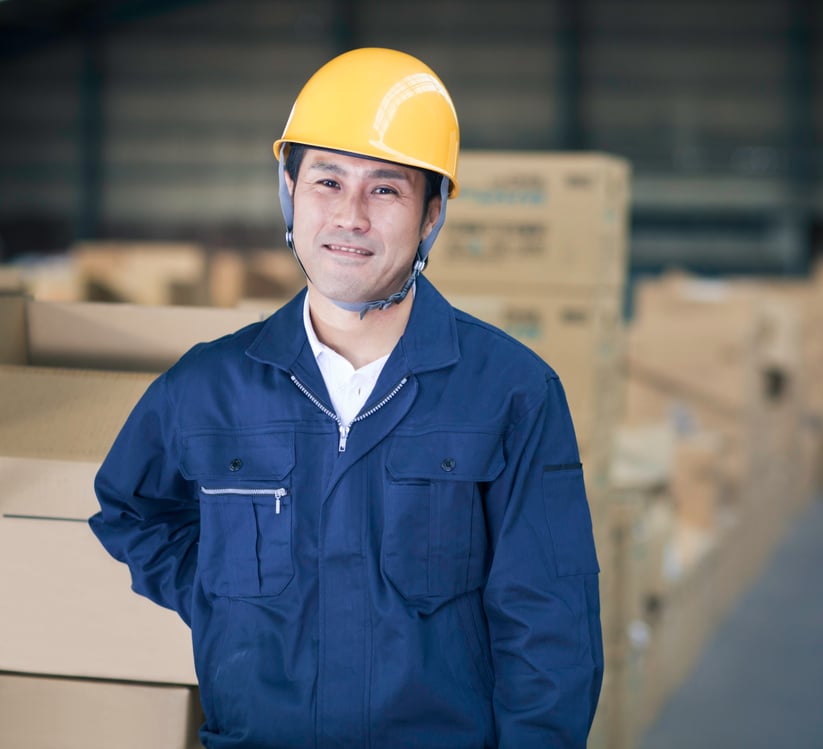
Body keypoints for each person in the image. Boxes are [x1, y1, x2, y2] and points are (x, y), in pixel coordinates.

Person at [89, 47, 603, 748]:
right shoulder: (206, 389)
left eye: (386, 190)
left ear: (431, 215)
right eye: (328, 181)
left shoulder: (511, 392)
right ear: (289, 194)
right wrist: (221, 602)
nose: (351, 216)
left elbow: (551, 628)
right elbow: (131, 509)